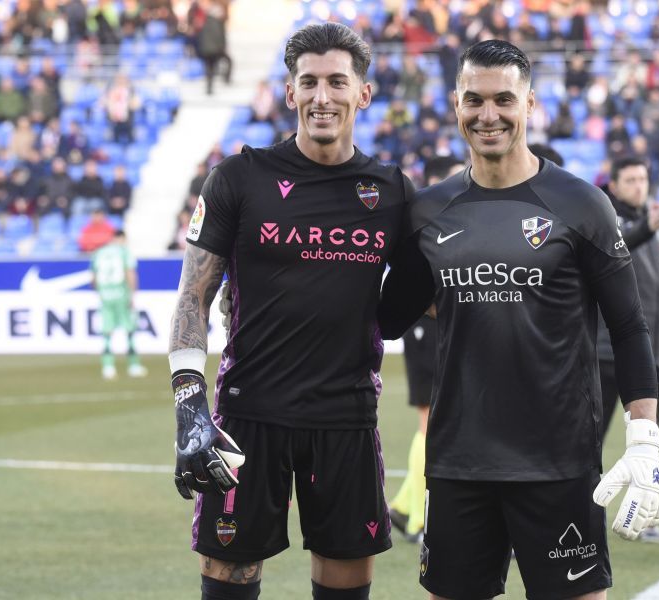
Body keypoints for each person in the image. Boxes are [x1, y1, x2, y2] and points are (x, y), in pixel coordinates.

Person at [378, 40, 659, 600]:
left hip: (558, 463)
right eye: (474, 100)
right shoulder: (428, 212)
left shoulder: (582, 205)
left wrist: (644, 439)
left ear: (530, 104)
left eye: (504, 99)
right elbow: (387, 318)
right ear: (456, 105)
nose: (489, 115)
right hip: (460, 462)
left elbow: (629, 327)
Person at [168, 23, 412, 600]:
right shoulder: (237, 178)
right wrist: (188, 403)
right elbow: (193, 294)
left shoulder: (392, 191)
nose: (321, 97)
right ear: (289, 92)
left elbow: (415, 294)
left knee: (345, 587)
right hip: (247, 418)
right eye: (309, 82)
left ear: (363, 93)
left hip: (346, 418)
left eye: (336, 82)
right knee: (228, 584)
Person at [596, 157, 659, 544]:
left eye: (643, 178)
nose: (639, 185)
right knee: (589, 437)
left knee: (649, 437)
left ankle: (648, 511)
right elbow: (617, 248)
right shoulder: (606, 224)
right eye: (631, 179)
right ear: (615, 186)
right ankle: (575, 512)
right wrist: (645, 229)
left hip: (658, 349)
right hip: (608, 349)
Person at [388, 156, 464, 545]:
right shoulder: (423, 216)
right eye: (454, 178)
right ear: (434, 182)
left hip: (443, 323)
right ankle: (421, 519)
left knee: (440, 421)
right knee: (429, 422)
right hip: (424, 326)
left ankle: (403, 508)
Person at [90, 229, 147, 379]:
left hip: (105, 295)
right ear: (121, 238)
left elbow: (93, 278)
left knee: (107, 331)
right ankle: (133, 365)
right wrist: (132, 294)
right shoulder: (124, 252)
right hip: (121, 294)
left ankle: (108, 366)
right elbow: (130, 273)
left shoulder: (99, 253)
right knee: (129, 329)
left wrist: (101, 292)